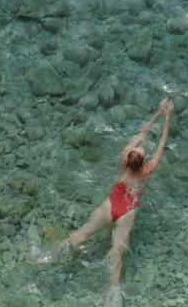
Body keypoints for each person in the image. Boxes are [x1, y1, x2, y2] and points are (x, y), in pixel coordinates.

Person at [40, 97, 174, 288]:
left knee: (81, 235)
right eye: (141, 150)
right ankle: (113, 291)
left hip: (110, 205)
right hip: (127, 213)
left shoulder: (124, 159)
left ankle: (49, 255)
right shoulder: (147, 171)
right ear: (143, 161)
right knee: (117, 252)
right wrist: (167, 117)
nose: (141, 147)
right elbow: (162, 145)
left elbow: (142, 133)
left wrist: (157, 112)